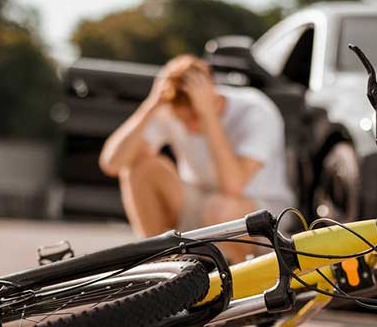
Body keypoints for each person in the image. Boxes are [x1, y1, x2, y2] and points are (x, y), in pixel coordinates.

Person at [98, 54, 294, 263]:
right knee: (139, 168)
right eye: (182, 119)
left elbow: (233, 186)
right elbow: (112, 163)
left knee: (220, 208)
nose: (190, 127)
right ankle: (156, 262)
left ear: (212, 93)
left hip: (259, 213)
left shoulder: (255, 110)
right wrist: (152, 103)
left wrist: (208, 115)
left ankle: (242, 278)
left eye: (194, 117)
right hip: (200, 203)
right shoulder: (174, 108)